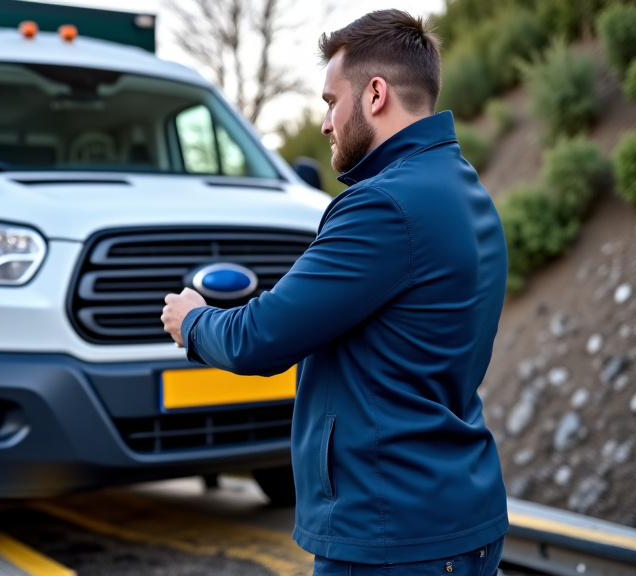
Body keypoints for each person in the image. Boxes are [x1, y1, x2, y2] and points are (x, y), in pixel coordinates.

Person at [161, 9, 509, 576]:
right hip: (456, 517)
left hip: (389, 536)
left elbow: (261, 337)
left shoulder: (384, 206)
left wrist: (194, 321)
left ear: (375, 94)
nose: (326, 122)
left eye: (330, 100)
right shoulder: (462, 188)